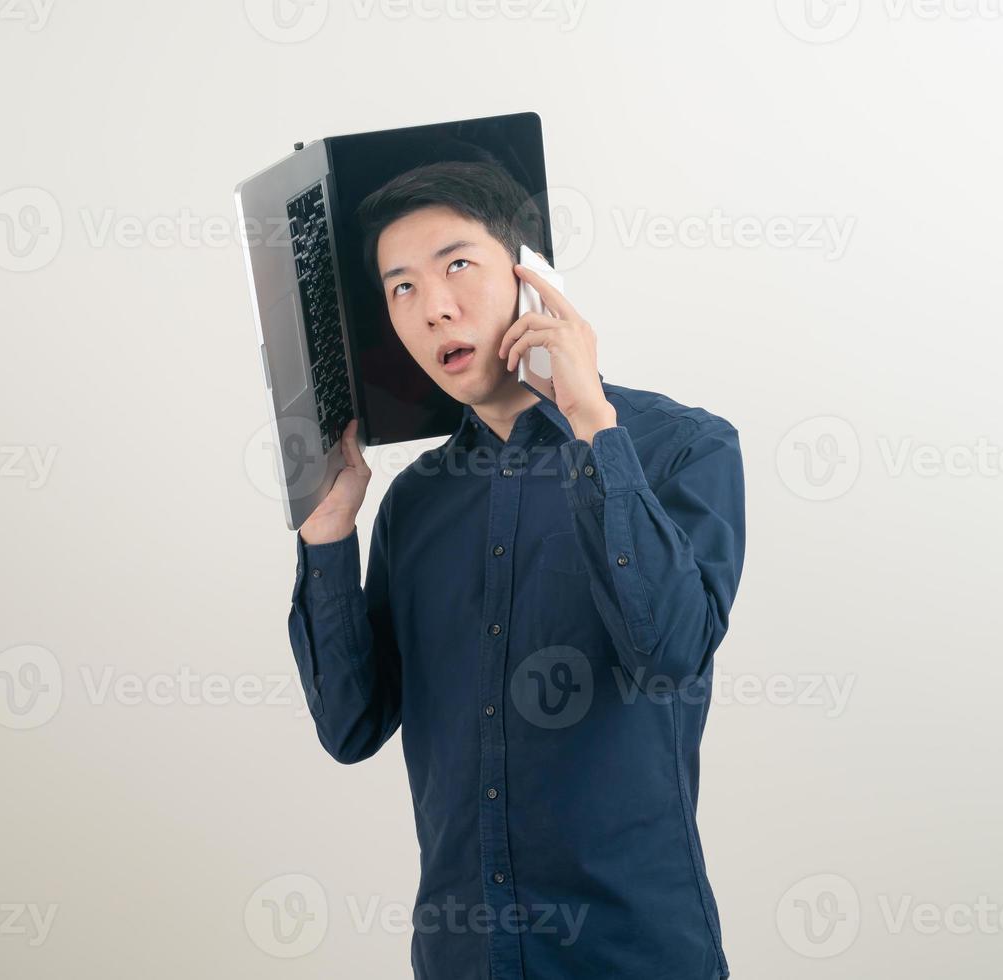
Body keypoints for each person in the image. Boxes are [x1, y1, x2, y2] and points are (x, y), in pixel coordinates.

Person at [289, 159, 746, 979]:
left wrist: (589, 426)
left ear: (530, 279)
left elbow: (670, 650)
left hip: (634, 954)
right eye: (400, 288)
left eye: (457, 265)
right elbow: (351, 727)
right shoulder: (415, 504)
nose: (433, 307)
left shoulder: (681, 448)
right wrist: (328, 538)